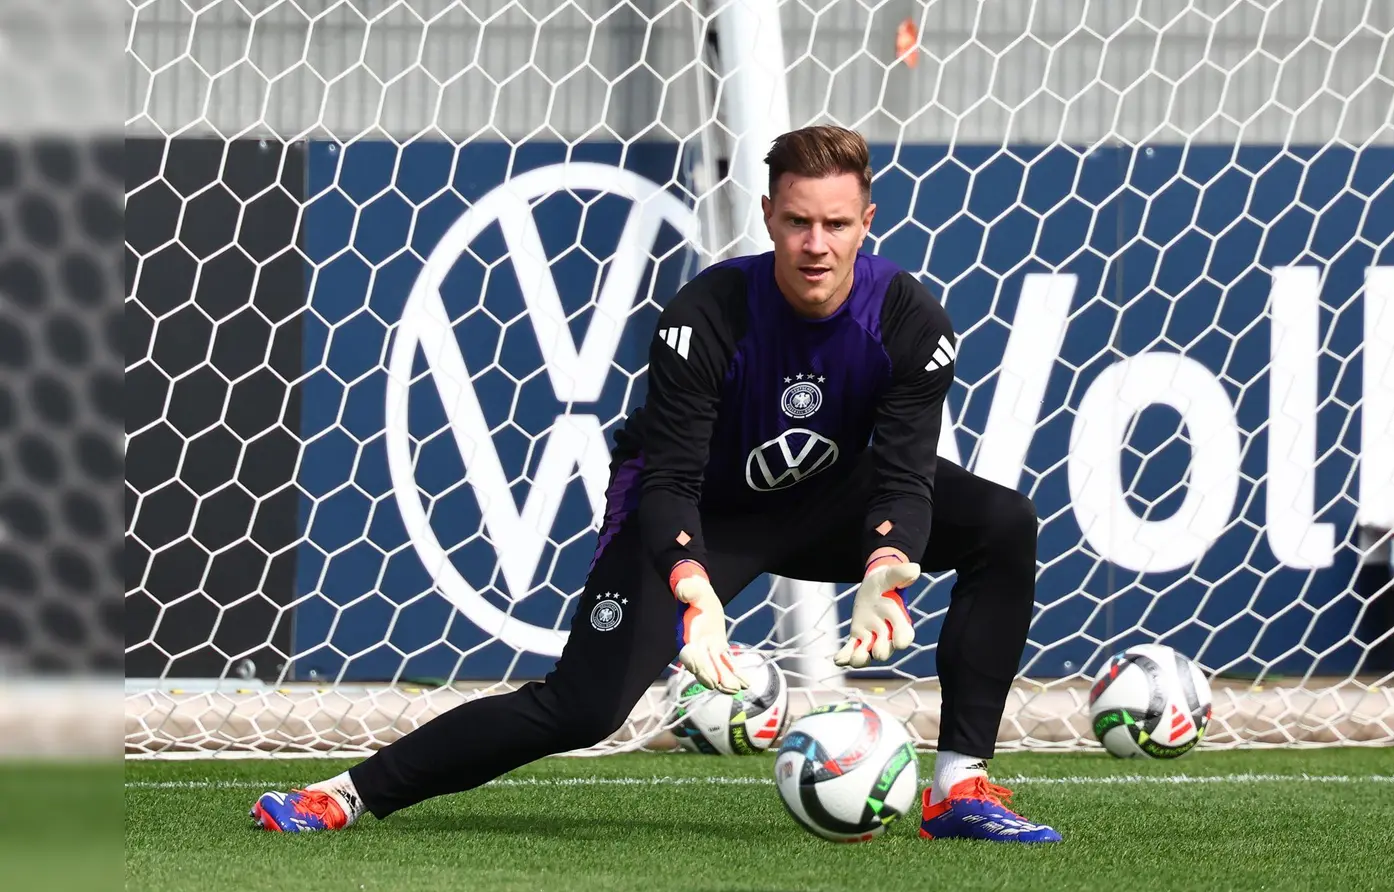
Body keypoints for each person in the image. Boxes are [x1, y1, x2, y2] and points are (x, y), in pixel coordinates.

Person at [253, 125, 1058, 843]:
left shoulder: (912, 323)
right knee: (583, 708)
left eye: (836, 225)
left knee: (1003, 522)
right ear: (770, 215)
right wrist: (694, 589)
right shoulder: (705, 314)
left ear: (866, 224)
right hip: (697, 509)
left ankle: (958, 790)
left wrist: (886, 569)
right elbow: (668, 476)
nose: (816, 243)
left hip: (827, 496)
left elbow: (906, 473)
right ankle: (344, 794)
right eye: (798, 221)